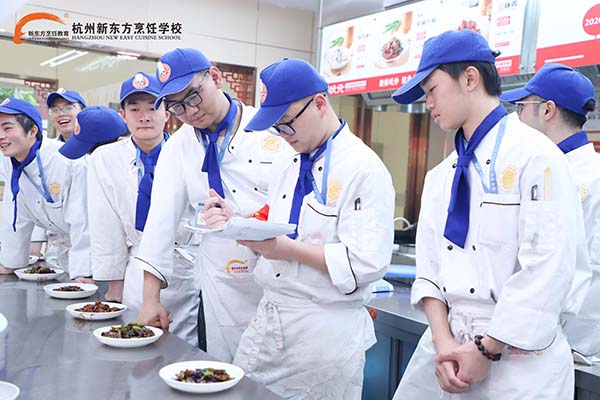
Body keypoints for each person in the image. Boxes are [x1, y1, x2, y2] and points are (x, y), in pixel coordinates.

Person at [390, 30, 580, 399]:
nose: (428, 103)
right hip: (450, 350)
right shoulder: (440, 176)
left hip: (519, 362)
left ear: (470, 78)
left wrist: (486, 349)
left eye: (431, 89)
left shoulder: (536, 157)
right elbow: (429, 271)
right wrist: (444, 342)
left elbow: (547, 269)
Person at [203, 58, 395, 399]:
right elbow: (282, 218)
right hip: (271, 319)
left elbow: (365, 263)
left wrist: (287, 250)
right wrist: (239, 220)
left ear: (319, 103)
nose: (283, 136)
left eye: (287, 124)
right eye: (276, 128)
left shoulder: (363, 168)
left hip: (323, 334)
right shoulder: (288, 159)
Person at [136, 48, 289, 359]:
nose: (190, 111)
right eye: (176, 106)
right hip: (220, 280)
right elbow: (160, 223)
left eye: (194, 95)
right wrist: (150, 300)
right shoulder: (179, 146)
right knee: (223, 366)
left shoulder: (269, 129)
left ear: (216, 77)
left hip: (278, 270)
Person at [82, 72, 198, 345]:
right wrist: (114, 285)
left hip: (185, 266)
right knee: (136, 341)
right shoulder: (105, 158)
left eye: (152, 108)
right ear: (123, 115)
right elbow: (105, 224)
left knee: (185, 347)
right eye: (134, 109)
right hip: (136, 266)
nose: (144, 117)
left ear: (167, 113)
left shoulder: (192, 151)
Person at [500, 63, 600, 358]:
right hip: (527, 335)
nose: (517, 116)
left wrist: (562, 339)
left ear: (547, 110)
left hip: (572, 345)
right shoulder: (540, 168)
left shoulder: (592, 178)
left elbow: (592, 271)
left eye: (521, 107)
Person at [0, 97, 91, 281]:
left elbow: (83, 219)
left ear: (33, 130)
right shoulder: (8, 161)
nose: (1, 136)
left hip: (93, 249)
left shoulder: (67, 160)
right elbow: (15, 215)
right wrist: (10, 262)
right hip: (62, 247)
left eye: (7, 128)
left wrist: (84, 272)